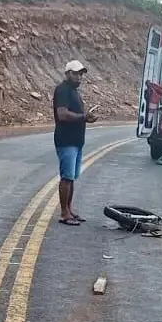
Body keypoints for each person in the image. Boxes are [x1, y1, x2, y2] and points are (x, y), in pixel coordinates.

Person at [52, 60, 98, 226]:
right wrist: (83, 117)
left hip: (76, 141)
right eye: (76, 73)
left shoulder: (74, 92)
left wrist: (86, 117)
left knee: (71, 178)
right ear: (68, 74)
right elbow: (62, 114)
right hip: (66, 140)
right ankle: (64, 213)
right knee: (66, 177)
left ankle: (69, 210)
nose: (79, 77)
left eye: (81, 74)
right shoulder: (63, 90)